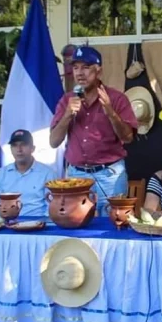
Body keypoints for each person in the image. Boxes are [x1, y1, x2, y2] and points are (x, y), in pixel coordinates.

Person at [49, 46, 138, 216]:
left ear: (99, 71)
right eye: (75, 68)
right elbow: (53, 142)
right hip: (76, 176)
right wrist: (67, 115)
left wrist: (110, 112)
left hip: (109, 175)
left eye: (86, 67)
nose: (80, 73)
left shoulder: (117, 99)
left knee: (113, 227)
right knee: (78, 227)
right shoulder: (67, 100)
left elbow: (128, 138)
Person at [0, 130, 57, 217]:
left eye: (24, 144)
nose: (19, 149)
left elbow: (52, 207)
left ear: (33, 148)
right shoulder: (1, 174)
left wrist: (42, 224)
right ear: (10, 149)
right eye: (14, 145)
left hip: (38, 224)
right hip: (8, 224)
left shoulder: (48, 174)